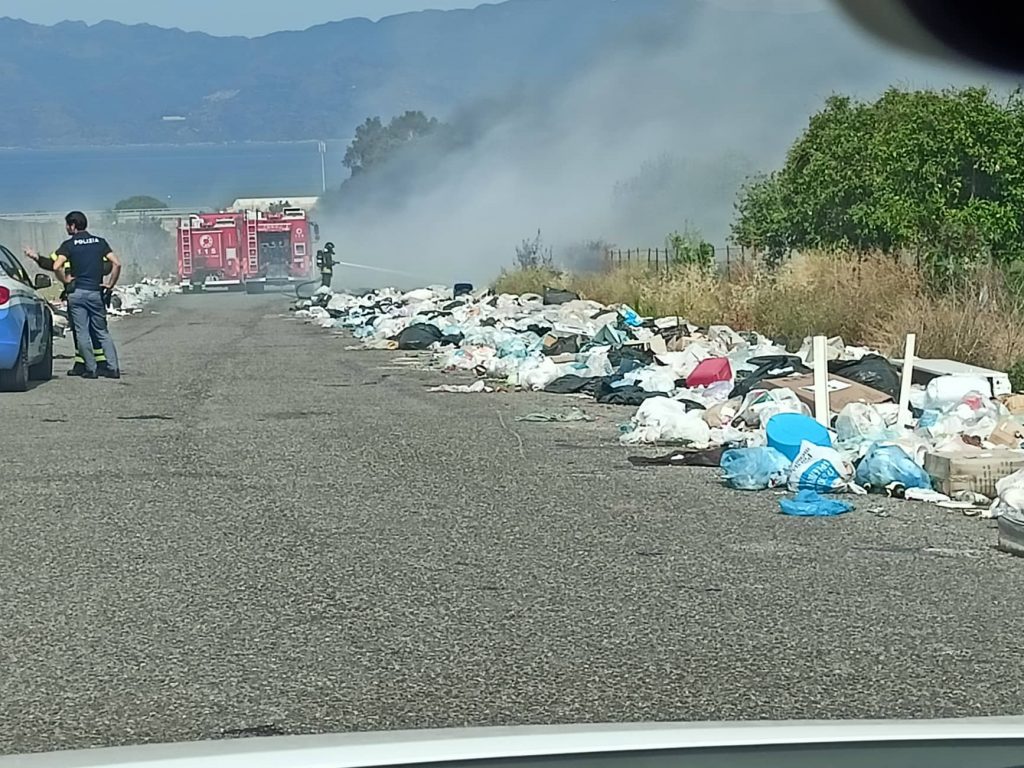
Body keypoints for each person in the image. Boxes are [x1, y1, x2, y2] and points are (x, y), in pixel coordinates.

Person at [49, 211, 121, 379]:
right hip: (95, 292)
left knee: (82, 332)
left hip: (77, 293)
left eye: (68, 225)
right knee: (102, 331)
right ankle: (113, 368)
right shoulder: (99, 242)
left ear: (73, 226)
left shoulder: (69, 245)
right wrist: (110, 284)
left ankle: (91, 369)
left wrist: (66, 280)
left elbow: (56, 266)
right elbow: (117, 263)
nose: (67, 228)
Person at [23, 247, 114, 376]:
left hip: (86, 292)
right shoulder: (70, 248)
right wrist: (37, 258)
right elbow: (52, 264)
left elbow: (107, 266)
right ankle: (82, 362)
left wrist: (82, 269)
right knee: (81, 331)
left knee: (91, 329)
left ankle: (99, 363)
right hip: (81, 294)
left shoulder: (78, 246)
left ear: (72, 226)